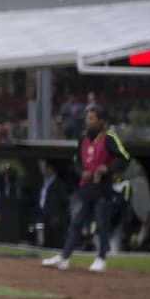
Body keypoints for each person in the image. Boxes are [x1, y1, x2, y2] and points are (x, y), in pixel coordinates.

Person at [43, 107, 130, 273]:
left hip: (102, 188)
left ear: (100, 121)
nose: (87, 121)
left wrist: (108, 168)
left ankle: (101, 258)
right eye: (87, 118)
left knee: (101, 223)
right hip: (86, 187)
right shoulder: (82, 138)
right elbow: (75, 161)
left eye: (91, 118)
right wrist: (81, 171)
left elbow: (125, 157)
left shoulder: (109, 137)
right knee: (76, 222)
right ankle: (64, 257)